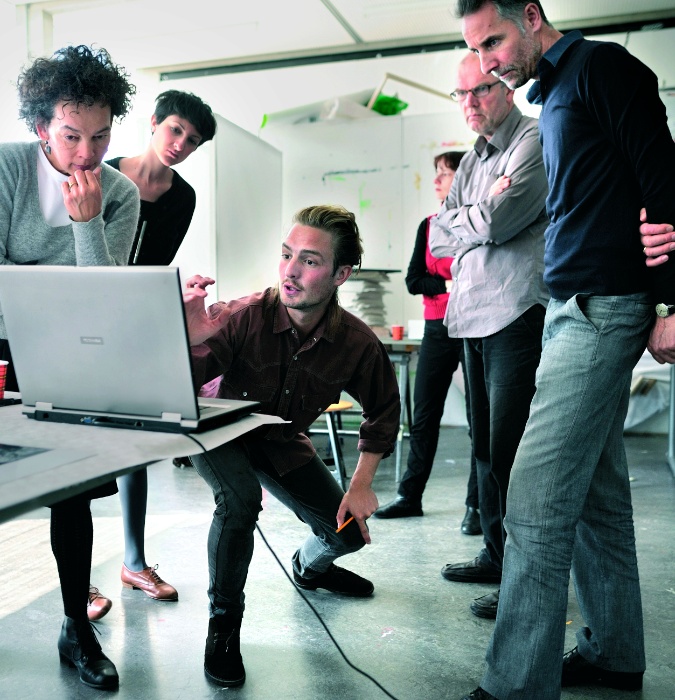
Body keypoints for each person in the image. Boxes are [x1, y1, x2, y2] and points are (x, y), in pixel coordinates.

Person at [453, 2, 675, 699]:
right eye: (475, 49)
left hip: (602, 312)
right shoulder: (552, 94)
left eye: (493, 39)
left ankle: (514, 686)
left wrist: (671, 301)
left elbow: (662, 175)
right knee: (596, 496)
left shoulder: (599, 67)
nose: (487, 60)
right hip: (565, 309)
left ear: (530, 14)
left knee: (534, 500)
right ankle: (613, 653)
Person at [182, 204, 400, 688]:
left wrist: (361, 483)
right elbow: (178, 383)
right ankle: (223, 628)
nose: (291, 271)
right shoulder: (241, 317)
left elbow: (383, 412)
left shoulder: (357, 343)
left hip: (281, 439)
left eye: (309, 260)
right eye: (286, 255)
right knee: (240, 501)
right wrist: (187, 339)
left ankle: (309, 566)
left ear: (342, 274)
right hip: (220, 431)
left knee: (346, 534)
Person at [0, 45, 139, 689]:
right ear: (40, 129)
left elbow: (103, 304)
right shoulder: (5, 170)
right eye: (71, 135)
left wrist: (86, 227)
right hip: (3, 355)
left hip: (67, 360)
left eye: (102, 135)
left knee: (74, 494)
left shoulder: (119, 193)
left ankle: (76, 628)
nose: (89, 153)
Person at [429, 51, 549, 621]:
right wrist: (477, 210)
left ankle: (522, 582)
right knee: (482, 448)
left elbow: (499, 222)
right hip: (471, 317)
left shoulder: (534, 139)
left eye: (478, 91)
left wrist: (472, 216)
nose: (469, 103)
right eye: (460, 94)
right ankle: (497, 555)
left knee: (511, 454)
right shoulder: (477, 159)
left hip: (515, 315)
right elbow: (439, 237)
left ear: (504, 87)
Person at [101, 90, 216, 603]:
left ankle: (133, 563)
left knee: (134, 447)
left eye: (192, 141)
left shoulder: (183, 197)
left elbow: (153, 267)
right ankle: (75, 574)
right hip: (84, 321)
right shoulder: (101, 173)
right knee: (75, 446)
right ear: (152, 123)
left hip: (136, 328)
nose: (180, 144)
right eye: (175, 130)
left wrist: (180, 293)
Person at [375, 151, 482, 535]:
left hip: (475, 326)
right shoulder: (429, 225)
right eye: (435, 174)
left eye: (444, 174)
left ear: (465, 178)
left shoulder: (479, 222)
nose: (436, 181)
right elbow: (413, 280)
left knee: (479, 422)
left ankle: (477, 505)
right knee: (423, 418)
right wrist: (453, 284)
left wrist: (453, 285)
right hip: (437, 327)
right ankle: (410, 497)